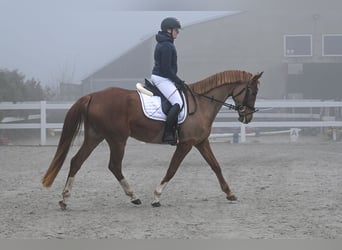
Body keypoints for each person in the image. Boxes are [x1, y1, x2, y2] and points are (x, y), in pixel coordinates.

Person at [151, 17, 186, 145]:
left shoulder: (166, 43)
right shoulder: (166, 45)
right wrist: (178, 81)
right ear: (169, 30)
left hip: (163, 77)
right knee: (177, 102)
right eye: (176, 30)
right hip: (162, 78)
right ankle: (168, 134)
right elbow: (166, 69)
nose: (177, 32)